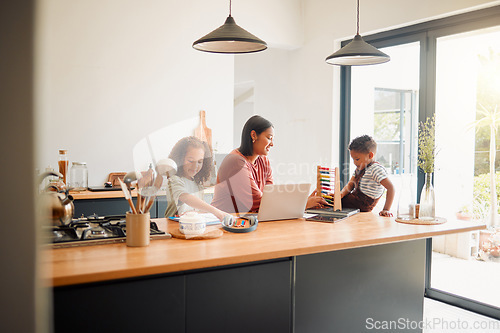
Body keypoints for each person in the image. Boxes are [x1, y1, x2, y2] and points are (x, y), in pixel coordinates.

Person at [211, 115, 327, 213]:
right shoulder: (235, 162)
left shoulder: (263, 160)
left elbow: (270, 196)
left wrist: (303, 201)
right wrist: (303, 204)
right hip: (224, 224)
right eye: (269, 138)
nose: (272, 144)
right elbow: (259, 203)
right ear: (253, 135)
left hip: (247, 222)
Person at [164, 136, 229, 221]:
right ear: (179, 159)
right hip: (173, 227)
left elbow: (199, 210)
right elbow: (186, 198)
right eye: (190, 161)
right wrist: (215, 211)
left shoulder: (197, 184)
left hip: (192, 227)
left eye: (199, 162)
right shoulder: (174, 180)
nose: (195, 166)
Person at [340, 135, 395, 216]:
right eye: (353, 159)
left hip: (363, 204)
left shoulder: (376, 169)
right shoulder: (359, 169)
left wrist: (386, 209)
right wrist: (341, 194)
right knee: (331, 200)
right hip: (354, 201)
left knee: (329, 203)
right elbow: (350, 185)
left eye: (357, 159)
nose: (354, 163)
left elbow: (391, 188)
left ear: (370, 155)